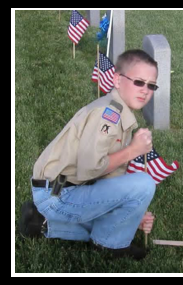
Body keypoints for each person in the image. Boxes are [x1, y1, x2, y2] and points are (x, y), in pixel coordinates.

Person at [19, 49, 160, 261]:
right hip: (58, 194)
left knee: (112, 222)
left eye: (152, 85)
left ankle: (40, 223)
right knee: (145, 183)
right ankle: (111, 245)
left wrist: (131, 216)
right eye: (139, 82)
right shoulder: (109, 115)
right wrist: (133, 150)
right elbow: (90, 168)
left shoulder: (118, 112)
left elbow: (109, 179)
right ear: (117, 79)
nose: (145, 90)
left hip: (61, 189)